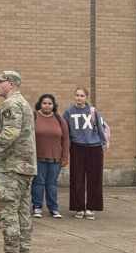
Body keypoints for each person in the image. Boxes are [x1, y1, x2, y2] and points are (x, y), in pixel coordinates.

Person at [0, 71, 37, 253]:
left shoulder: (10, 104)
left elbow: (11, 134)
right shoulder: (22, 103)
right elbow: (19, 129)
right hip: (25, 167)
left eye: (0, 81)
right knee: (23, 212)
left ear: (11, 84)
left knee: (8, 212)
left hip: (11, 168)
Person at [62, 87, 106, 218]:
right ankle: (78, 207)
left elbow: (100, 129)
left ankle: (91, 208)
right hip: (77, 148)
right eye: (77, 95)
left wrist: (102, 144)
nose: (79, 98)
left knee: (94, 179)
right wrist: (66, 150)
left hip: (94, 147)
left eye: (82, 95)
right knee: (77, 178)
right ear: (74, 96)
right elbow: (66, 133)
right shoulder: (68, 112)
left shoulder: (92, 111)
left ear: (86, 97)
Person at [32, 94, 70, 218]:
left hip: (55, 158)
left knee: (52, 183)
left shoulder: (59, 119)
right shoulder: (33, 117)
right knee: (38, 182)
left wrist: (65, 157)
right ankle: (37, 207)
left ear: (53, 105)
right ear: (40, 104)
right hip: (38, 157)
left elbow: (65, 139)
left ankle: (53, 208)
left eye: (49, 103)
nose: (47, 105)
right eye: (44, 103)